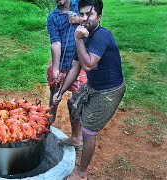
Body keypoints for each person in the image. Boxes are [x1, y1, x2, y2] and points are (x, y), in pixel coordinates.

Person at [53, 0, 125, 179]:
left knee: (90, 132)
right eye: (82, 14)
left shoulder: (101, 36)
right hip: (94, 85)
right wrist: (60, 92)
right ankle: (75, 138)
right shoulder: (84, 37)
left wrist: (78, 39)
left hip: (108, 90)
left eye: (89, 14)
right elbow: (74, 67)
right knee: (72, 103)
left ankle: (81, 173)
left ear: (99, 17)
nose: (84, 19)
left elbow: (88, 65)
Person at [46, 0, 87, 149]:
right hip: (61, 63)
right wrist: (56, 68)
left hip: (80, 63)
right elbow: (55, 43)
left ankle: (77, 137)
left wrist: (78, 20)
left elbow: (94, 21)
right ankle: (48, 122)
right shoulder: (52, 17)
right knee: (54, 91)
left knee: (76, 101)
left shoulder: (80, 4)